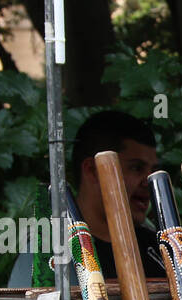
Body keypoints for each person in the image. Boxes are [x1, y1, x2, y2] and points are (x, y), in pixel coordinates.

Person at [70, 110, 166, 279]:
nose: (149, 181)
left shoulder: (159, 247)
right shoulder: (52, 251)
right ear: (93, 171)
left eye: (153, 171)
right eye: (136, 168)